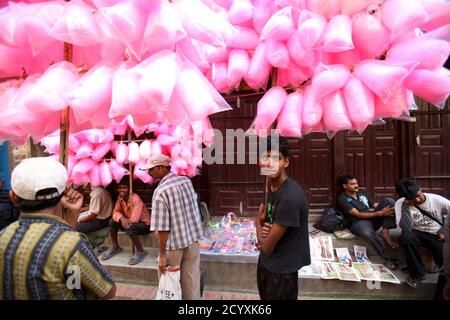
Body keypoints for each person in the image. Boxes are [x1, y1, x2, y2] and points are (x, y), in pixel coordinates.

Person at [0, 157, 115, 300]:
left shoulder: (3, 236)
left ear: (13, 197)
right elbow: (107, 291)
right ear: (62, 195)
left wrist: (72, 216)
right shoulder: (71, 245)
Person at [255, 136, 310, 300]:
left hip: (281, 272)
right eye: (265, 158)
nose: (269, 164)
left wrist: (258, 223)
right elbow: (269, 223)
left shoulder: (289, 198)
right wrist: (265, 222)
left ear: (286, 162)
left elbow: (266, 247)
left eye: (276, 158)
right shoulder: (271, 185)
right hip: (268, 264)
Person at [144, 154, 203, 300]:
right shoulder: (186, 181)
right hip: (192, 239)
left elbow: (163, 228)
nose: (148, 173)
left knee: (170, 283)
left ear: (162, 168)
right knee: (191, 280)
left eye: (151, 169)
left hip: (173, 246)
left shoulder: (161, 191)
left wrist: (162, 254)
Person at [394, 178, 449, 288]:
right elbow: (405, 228)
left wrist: (444, 231)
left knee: (443, 258)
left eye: (418, 195)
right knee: (405, 237)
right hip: (416, 232)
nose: (418, 199)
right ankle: (417, 273)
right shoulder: (401, 204)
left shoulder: (436, 199)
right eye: (413, 198)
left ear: (420, 189)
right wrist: (405, 208)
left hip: (436, 234)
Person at [337, 175, 398, 269]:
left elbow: (374, 205)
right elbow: (358, 215)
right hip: (359, 223)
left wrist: (384, 208)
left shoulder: (361, 194)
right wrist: (380, 213)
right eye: (352, 184)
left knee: (389, 201)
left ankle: (385, 232)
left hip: (372, 218)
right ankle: (386, 258)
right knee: (367, 233)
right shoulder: (342, 199)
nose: (356, 185)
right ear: (345, 186)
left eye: (356, 183)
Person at [100, 177, 151, 265]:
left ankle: (140, 251)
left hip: (143, 224)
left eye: (124, 188)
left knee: (130, 226)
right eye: (120, 188)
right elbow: (115, 212)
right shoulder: (120, 198)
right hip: (128, 222)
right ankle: (115, 247)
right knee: (112, 222)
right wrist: (122, 218)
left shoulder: (135, 199)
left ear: (129, 189)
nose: (121, 190)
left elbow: (134, 220)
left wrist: (125, 220)